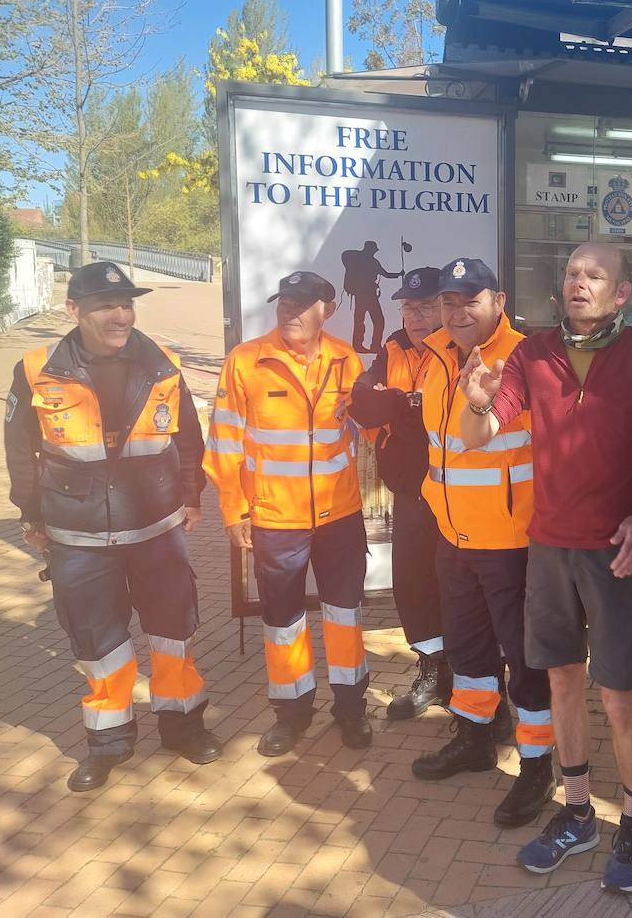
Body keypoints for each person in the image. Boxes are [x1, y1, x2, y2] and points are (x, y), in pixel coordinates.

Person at [458, 243, 632, 892]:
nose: (579, 282)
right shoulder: (533, 352)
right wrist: (478, 402)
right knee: (564, 685)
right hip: (547, 545)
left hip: (615, 551)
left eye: (594, 275)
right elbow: (477, 436)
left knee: (618, 696)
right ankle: (577, 811)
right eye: (573, 273)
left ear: (621, 292)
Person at [3, 261, 220, 792]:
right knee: (98, 643)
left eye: (126, 304)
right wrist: (31, 514)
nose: (121, 315)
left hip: (156, 526)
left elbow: (189, 439)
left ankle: (184, 727)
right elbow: (19, 450)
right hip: (78, 536)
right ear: (74, 310)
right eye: (106, 305)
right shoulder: (36, 368)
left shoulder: (164, 361)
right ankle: (108, 742)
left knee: (173, 633)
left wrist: (192, 497)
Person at [408, 257, 557, 830]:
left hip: (511, 540)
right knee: (468, 650)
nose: (456, 311)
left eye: (470, 299)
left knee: (524, 659)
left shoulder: (527, 356)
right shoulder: (438, 356)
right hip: (454, 533)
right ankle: (474, 736)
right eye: (448, 301)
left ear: (498, 300)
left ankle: (538, 764)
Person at [202, 271, 372, 756]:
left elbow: (365, 427)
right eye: (284, 303)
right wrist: (234, 511)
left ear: (328, 309)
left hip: (339, 515)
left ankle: (351, 707)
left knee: (344, 614)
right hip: (276, 519)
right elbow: (224, 444)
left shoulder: (346, 359)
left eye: (302, 303)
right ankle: (292, 712)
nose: (290, 311)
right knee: (283, 621)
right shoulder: (246, 361)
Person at [348, 266, 454, 721]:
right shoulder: (389, 350)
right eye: (409, 306)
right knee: (413, 584)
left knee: (462, 589)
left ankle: (474, 684)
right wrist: (407, 403)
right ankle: (432, 671)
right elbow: (360, 405)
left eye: (427, 305)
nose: (416, 315)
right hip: (410, 493)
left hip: (460, 495)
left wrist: (401, 404)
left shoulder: (461, 349)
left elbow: (445, 417)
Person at [340, 239, 400, 353]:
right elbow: (386, 274)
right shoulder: (369, 261)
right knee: (370, 320)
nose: (374, 252)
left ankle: (370, 346)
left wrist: (398, 274)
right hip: (365, 295)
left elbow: (386, 274)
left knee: (369, 320)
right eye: (373, 250)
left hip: (366, 295)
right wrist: (399, 274)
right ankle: (366, 346)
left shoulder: (361, 259)